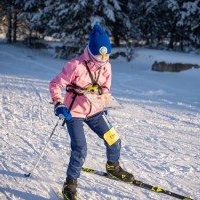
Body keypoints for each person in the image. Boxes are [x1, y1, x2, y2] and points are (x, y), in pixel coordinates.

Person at [49, 25, 134, 200]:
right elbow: (55, 84)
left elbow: (105, 88)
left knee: (114, 139)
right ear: (91, 51)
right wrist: (58, 104)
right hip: (74, 112)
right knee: (80, 149)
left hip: (95, 110)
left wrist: (104, 101)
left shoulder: (107, 67)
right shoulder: (75, 65)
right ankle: (69, 186)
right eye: (100, 55)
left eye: (106, 55)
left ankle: (113, 168)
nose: (103, 59)